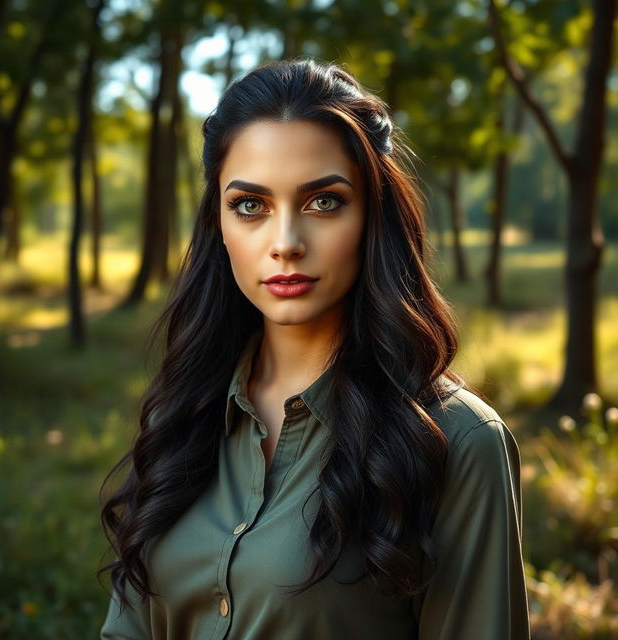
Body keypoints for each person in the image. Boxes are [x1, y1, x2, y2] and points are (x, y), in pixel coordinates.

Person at [99, 57, 530, 640]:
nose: (285, 244)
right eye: (250, 205)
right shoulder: (184, 410)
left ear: (373, 214)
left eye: (323, 201)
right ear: (218, 225)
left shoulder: (458, 442)